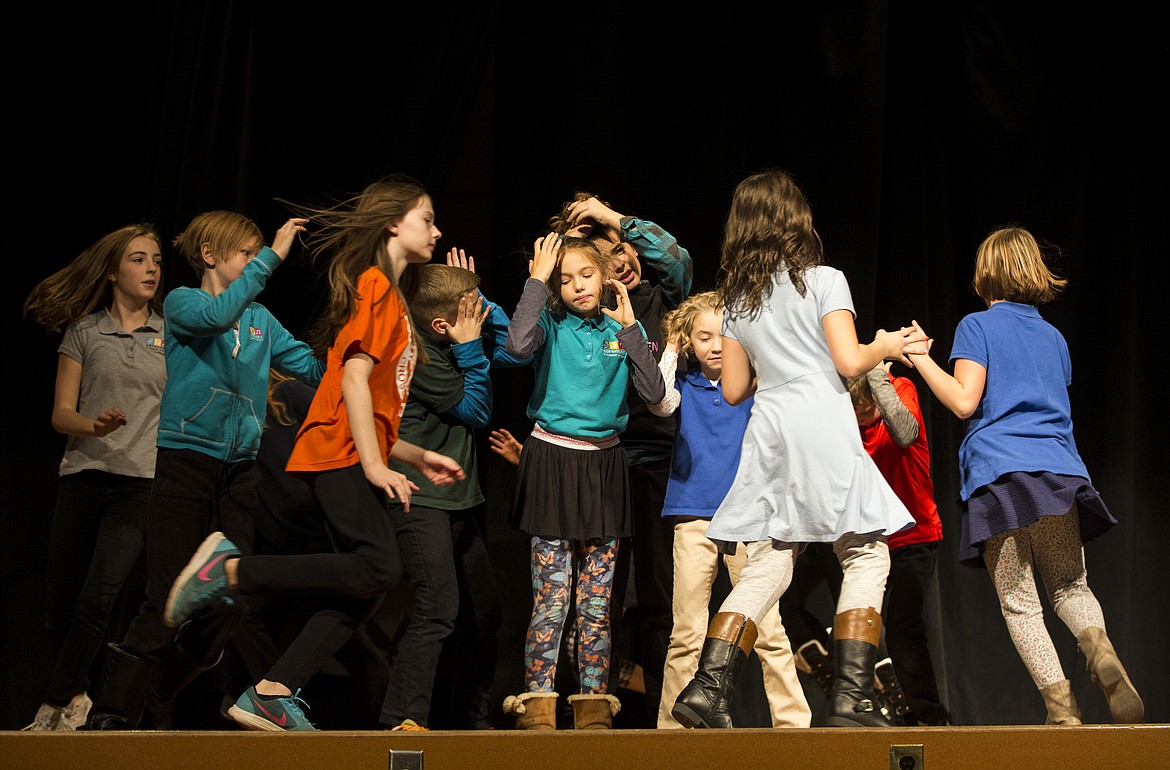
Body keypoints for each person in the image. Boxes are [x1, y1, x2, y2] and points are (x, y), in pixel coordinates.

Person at [163, 174, 465, 732]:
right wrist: (375, 465)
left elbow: (366, 403)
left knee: (368, 581)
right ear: (394, 224)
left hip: (350, 448)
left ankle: (274, 691)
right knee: (378, 565)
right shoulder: (375, 285)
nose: (437, 229)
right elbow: (352, 378)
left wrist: (414, 455)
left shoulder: (391, 297)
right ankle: (228, 571)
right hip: (339, 454)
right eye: (427, 218)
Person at [671, 168, 926, 730]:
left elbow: (735, 389)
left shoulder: (737, 301)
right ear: (795, 220)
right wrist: (882, 343)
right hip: (820, 421)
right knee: (865, 552)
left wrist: (777, 364)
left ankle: (707, 691)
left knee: (772, 561)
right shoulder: (825, 279)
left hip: (770, 431)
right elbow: (847, 361)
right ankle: (853, 698)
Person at [84, 211, 326, 731]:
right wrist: (275, 256)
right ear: (211, 255)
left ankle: (158, 694)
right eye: (246, 252)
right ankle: (110, 713)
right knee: (165, 594)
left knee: (230, 600)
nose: (255, 260)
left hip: (240, 471)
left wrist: (363, 352)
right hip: (186, 462)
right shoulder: (183, 303)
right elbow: (216, 318)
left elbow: (311, 367)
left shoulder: (261, 320)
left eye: (258, 252)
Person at [906, 225, 1143, 726]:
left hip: (1000, 478)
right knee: (1071, 588)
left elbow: (965, 400)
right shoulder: (1054, 338)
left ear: (985, 274)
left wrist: (922, 359)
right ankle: (1099, 650)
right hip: (1059, 476)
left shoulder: (978, 326)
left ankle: (1062, 711)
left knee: (1021, 604)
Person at [499, 233, 665, 731]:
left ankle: (593, 707)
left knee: (596, 603)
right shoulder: (549, 321)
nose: (576, 286)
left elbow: (654, 393)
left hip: (605, 468)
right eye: (564, 279)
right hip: (553, 460)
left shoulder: (621, 329)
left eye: (585, 275)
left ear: (605, 274)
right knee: (552, 601)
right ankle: (539, 707)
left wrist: (631, 328)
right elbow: (515, 345)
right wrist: (535, 281)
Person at [548, 192, 692, 725]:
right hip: (598, 459)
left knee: (657, 594)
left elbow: (678, 260)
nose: (622, 260)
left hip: (655, 459)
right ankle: (591, 710)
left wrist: (613, 218)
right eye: (605, 256)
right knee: (596, 593)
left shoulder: (659, 298)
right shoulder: (575, 314)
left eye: (624, 248)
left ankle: (661, 715)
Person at [21, 224, 166, 731]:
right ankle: (76, 696)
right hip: (83, 475)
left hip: (138, 481)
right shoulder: (85, 332)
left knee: (101, 595)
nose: (151, 268)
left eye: (156, 260)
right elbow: (62, 414)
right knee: (59, 604)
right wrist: (93, 424)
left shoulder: (171, 336)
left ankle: (55, 701)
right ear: (112, 272)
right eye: (138, 259)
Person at [380, 250, 529, 731]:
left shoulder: (450, 339)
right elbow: (476, 411)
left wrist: (474, 291)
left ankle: (471, 721)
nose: (481, 311)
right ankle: (401, 720)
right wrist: (469, 349)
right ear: (444, 324)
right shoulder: (421, 354)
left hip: (458, 501)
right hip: (420, 497)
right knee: (436, 610)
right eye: (472, 305)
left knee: (484, 614)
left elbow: (515, 348)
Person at [649, 290, 811, 729]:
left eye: (725, 336)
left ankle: (794, 724)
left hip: (749, 520)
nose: (716, 345)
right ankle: (673, 728)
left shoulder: (756, 383)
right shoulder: (682, 386)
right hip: (694, 516)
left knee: (766, 630)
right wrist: (670, 345)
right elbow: (658, 401)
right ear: (689, 342)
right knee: (687, 631)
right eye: (703, 337)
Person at [847, 363, 951, 726]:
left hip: (914, 535)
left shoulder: (899, 388)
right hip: (865, 542)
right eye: (854, 411)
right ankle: (870, 702)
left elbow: (905, 434)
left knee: (903, 627)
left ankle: (929, 717)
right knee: (853, 623)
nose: (861, 418)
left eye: (867, 410)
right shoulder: (844, 417)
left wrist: (877, 378)